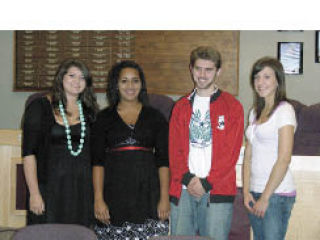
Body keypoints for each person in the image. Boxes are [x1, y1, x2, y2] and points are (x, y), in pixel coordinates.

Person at [169, 46, 244, 240]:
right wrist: (188, 179)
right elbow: (174, 149)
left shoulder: (232, 106)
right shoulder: (180, 106)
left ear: (218, 71)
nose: (202, 75)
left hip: (217, 190)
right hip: (183, 189)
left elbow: (231, 153)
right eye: (198, 68)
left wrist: (206, 182)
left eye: (208, 69)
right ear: (191, 69)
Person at [91, 60, 170, 239]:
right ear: (116, 85)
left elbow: (163, 161)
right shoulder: (102, 118)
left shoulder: (155, 117)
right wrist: (98, 199)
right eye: (124, 81)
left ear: (141, 84)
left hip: (148, 194)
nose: (130, 86)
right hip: (113, 194)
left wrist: (164, 197)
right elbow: (97, 162)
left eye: (135, 80)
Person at [22, 59, 99, 226]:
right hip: (48, 188)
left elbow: (96, 156)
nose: (77, 82)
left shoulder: (90, 112)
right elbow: (28, 154)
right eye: (72, 75)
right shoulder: (40, 107)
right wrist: (34, 193)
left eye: (82, 77)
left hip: (81, 190)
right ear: (60, 78)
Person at [242, 57, 296, 240]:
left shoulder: (285, 110)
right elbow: (248, 157)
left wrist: (265, 197)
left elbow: (284, 158)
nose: (260, 82)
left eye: (267, 77)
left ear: (278, 81)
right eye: (257, 77)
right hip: (255, 192)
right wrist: (246, 191)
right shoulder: (254, 112)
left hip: (276, 194)